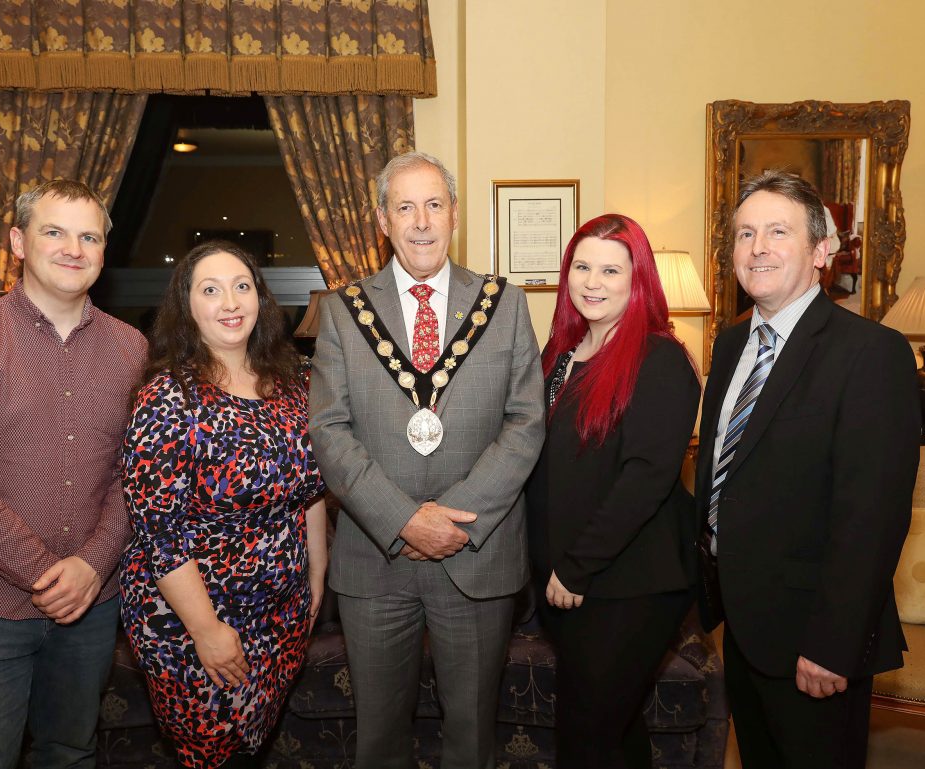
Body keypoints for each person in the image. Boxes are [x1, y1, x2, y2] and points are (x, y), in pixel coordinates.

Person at [309, 151, 545, 769]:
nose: (421, 221)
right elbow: (329, 432)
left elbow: (526, 423)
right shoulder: (342, 310)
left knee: (471, 739)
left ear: (455, 215)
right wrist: (403, 520)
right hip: (373, 560)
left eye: (434, 204)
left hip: (476, 553)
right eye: (405, 206)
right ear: (382, 220)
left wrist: (451, 519)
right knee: (379, 740)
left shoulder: (505, 303)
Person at [0, 179, 147, 768]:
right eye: (55, 232)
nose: (74, 248)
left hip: (92, 610)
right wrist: (49, 574)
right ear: (18, 242)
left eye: (89, 236)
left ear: (103, 251)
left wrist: (92, 567)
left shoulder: (132, 351)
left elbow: (136, 476)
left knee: (71, 755)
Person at [695, 170, 920, 768]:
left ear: (822, 252)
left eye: (777, 231)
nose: (758, 247)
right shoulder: (729, 345)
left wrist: (832, 645)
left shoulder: (871, 354)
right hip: (743, 629)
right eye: (745, 234)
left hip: (813, 641)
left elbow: (870, 518)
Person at [120, 240, 327, 769]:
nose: (230, 302)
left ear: (260, 297)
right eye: (210, 290)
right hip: (192, 623)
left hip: (279, 614)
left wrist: (314, 585)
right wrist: (207, 631)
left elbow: (311, 494)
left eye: (241, 286)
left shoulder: (292, 386)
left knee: (250, 748)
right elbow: (159, 535)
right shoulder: (167, 397)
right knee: (212, 756)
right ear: (187, 307)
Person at [526, 214, 700, 768]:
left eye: (610, 269)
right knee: (614, 733)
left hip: (628, 585)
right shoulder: (559, 355)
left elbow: (645, 479)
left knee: (586, 738)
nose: (592, 282)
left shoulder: (661, 358)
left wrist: (578, 568)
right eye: (582, 266)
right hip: (569, 581)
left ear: (638, 280)